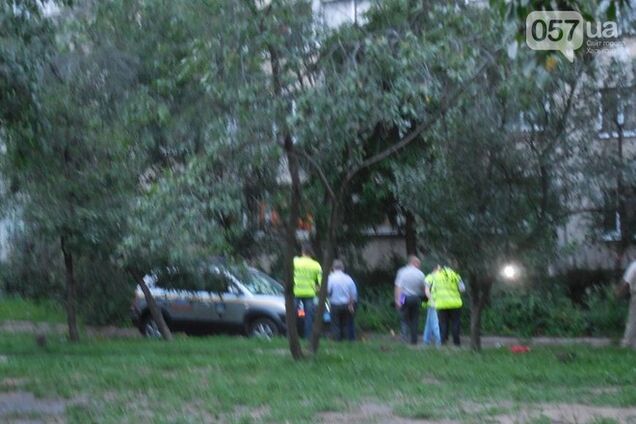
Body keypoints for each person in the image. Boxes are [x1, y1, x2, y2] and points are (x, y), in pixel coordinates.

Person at [394, 256, 426, 344]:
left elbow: (398, 287)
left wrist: (398, 301)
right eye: (418, 263)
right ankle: (414, 340)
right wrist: (425, 301)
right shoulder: (420, 274)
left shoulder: (402, 272)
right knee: (415, 319)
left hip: (404, 297)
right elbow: (423, 289)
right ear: (414, 262)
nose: (419, 265)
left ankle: (404, 338)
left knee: (404, 317)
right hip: (416, 297)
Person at [293, 244, 322, 339]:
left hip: (296, 292)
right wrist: (317, 288)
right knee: (308, 316)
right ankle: (307, 336)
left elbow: (289, 275)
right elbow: (321, 282)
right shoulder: (316, 265)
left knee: (293, 314)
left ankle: (292, 335)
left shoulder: (295, 262)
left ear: (302, 252)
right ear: (311, 253)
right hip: (309, 293)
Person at [432, 266, 465, 346]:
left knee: (443, 324)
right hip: (455, 304)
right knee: (455, 323)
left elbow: (433, 290)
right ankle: (456, 342)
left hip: (441, 304)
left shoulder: (436, 276)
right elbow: (462, 289)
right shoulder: (456, 275)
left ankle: (443, 342)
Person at [327, 259, 357, 341]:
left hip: (335, 304)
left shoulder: (330, 278)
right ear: (343, 268)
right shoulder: (348, 278)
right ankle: (347, 341)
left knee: (335, 324)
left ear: (333, 268)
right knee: (346, 324)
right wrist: (351, 304)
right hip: (347, 304)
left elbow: (328, 291)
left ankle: (337, 340)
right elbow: (353, 293)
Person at [617, 260, 636, 349]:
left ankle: (628, 343)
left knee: (633, 320)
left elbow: (626, 282)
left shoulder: (634, 266)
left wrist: (619, 293)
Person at [422, 266, 442, 347]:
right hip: (434, 302)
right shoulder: (430, 277)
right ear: (434, 270)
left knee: (430, 322)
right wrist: (432, 301)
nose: (440, 271)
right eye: (439, 270)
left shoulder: (431, 277)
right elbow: (426, 291)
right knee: (434, 322)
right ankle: (438, 341)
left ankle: (426, 341)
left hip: (434, 302)